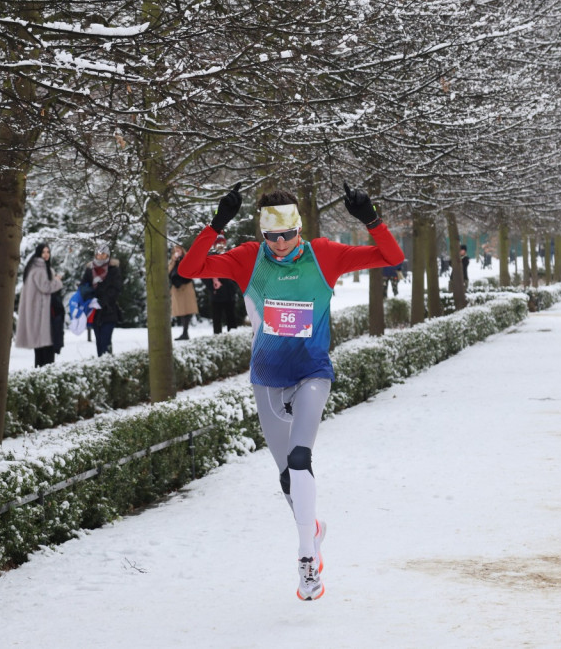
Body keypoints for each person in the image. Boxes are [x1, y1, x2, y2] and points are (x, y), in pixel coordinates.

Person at [179, 181, 405, 601]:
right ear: (262, 234)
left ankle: (306, 560)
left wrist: (370, 218)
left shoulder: (325, 254)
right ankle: (313, 529)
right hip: (267, 377)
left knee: (301, 459)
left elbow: (393, 257)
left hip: (312, 373)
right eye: (271, 236)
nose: (280, 244)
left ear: (299, 228)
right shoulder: (248, 259)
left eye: (287, 235)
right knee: (287, 478)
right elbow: (191, 270)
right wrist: (217, 223)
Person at [16, 243, 63, 367]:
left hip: (39, 313)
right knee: (46, 350)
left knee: (40, 351)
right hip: (41, 314)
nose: (46, 255)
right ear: (38, 253)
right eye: (43, 252)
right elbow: (46, 287)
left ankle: (40, 376)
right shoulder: (40, 269)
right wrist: (57, 280)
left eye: (48, 252)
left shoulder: (34, 268)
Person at [79, 245, 123, 356]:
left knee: (105, 341)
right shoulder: (89, 270)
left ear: (107, 255)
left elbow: (116, 289)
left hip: (109, 311)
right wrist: (91, 299)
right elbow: (83, 287)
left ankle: (108, 366)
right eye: (99, 253)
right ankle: (102, 366)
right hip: (94, 313)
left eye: (103, 254)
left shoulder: (113, 270)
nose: (101, 256)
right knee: (99, 342)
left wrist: (102, 301)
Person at [205, 236, 240, 334]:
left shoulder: (230, 255)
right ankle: (217, 337)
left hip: (229, 293)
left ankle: (233, 336)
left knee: (231, 317)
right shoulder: (210, 257)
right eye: (219, 243)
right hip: (217, 293)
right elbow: (205, 275)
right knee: (217, 318)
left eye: (223, 243)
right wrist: (213, 286)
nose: (221, 245)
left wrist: (234, 287)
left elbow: (236, 272)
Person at [169, 245, 197, 340]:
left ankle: (185, 332)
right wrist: (173, 260)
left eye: (179, 250)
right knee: (181, 311)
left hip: (186, 287)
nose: (177, 252)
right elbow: (168, 272)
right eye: (175, 250)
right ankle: (184, 333)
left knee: (187, 310)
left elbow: (191, 271)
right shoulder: (173, 261)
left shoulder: (187, 259)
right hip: (177, 289)